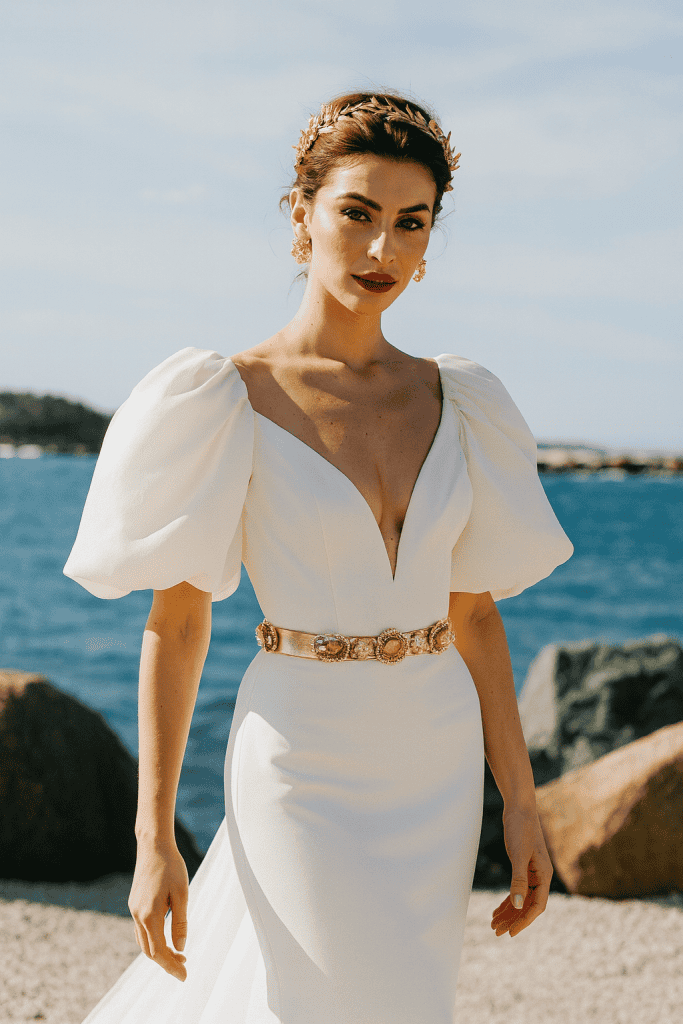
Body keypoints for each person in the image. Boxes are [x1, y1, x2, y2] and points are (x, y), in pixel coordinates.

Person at [63, 90, 573, 1024]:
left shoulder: (460, 400)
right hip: (298, 754)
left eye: (411, 222)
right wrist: (153, 836)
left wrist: (521, 804)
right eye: (357, 213)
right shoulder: (223, 397)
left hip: (434, 759)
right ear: (302, 214)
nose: (383, 249)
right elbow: (178, 622)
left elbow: (473, 614)